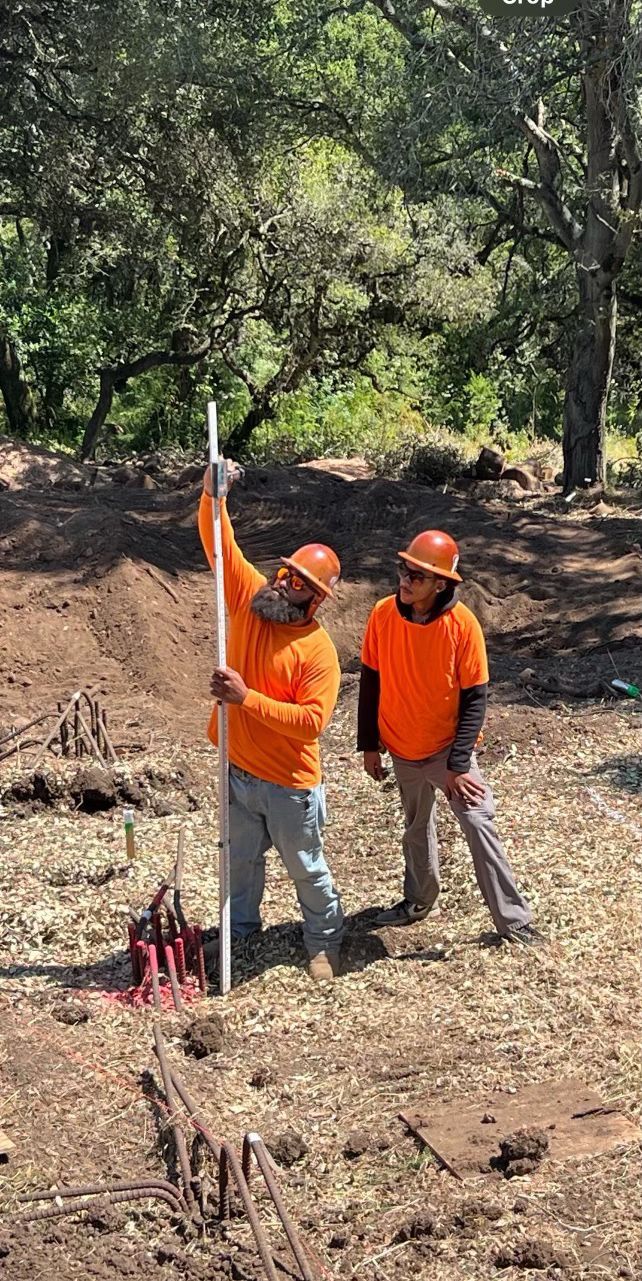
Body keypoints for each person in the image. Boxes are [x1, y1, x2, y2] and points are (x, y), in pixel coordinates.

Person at [357, 529, 541, 945]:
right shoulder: (383, 615)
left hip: (447, 752)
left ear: (441, 583)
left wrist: (458, 765)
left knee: (478, 825)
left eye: (416, 576)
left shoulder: (463, 626)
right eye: (404, 570)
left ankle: (514, 922)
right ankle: (419, 902)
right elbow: (371, 681)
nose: (405, 581)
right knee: (415, 828)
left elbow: (476, 699)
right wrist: (369, 743)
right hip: (402, 747)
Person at [199, 462, 344, 981]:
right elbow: (220, 547)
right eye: (286, 573)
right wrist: (213, 496)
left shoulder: (317, 652)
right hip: (236, 768)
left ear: (317, 600)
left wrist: (245, 698)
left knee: (305, 867)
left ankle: (324, 942)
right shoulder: (246, 600)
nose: (284, 583)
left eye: (299, 583)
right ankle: (240, 932)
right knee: (239, 861)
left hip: (289, 785)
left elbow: (310, 724)